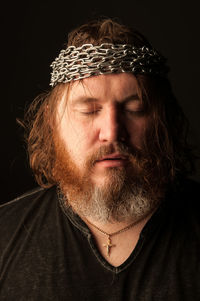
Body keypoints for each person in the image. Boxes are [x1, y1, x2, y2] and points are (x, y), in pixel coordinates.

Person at [0, 18, 199, 300]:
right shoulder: (4, 237)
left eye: (135, 108)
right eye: (89, 110)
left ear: (162, 121)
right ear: (51, 122)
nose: (112, 131)